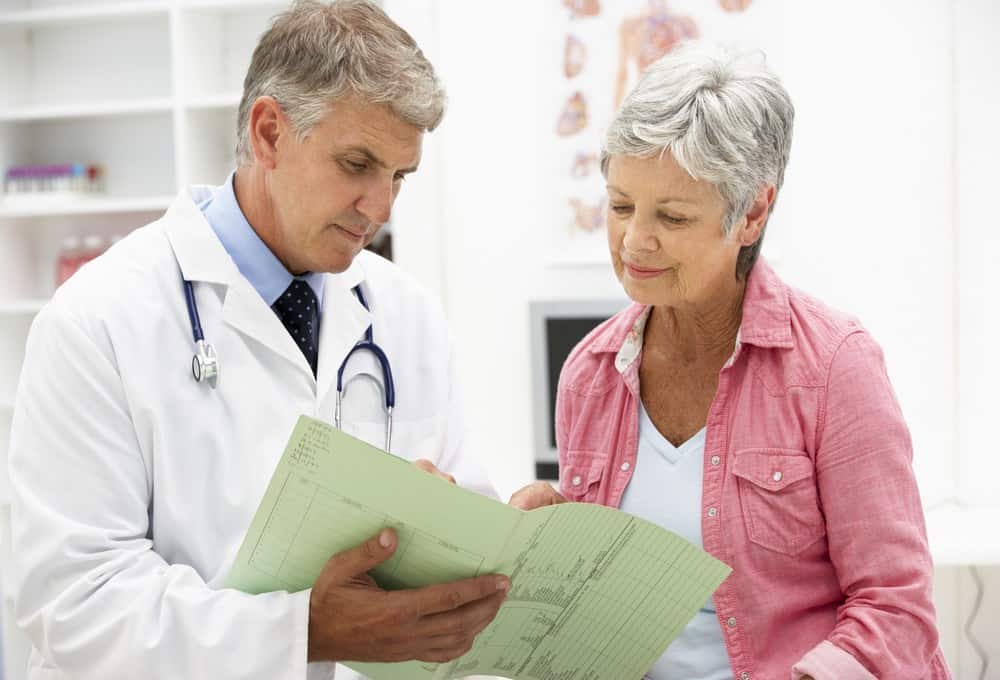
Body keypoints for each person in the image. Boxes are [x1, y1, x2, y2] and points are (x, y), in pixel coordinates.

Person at [7, 2, 510, 679]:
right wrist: (300, 630)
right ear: (270, 132)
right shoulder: (96, 320)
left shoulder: (405, 313)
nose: (382, 207)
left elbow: (456, 522)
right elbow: (73, 604)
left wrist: (500, 542)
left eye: (399, 176)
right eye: (357, 164)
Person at [511, 42, 951, 679]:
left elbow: (897, 608)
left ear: (752, 212)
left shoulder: (833, 367)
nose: (635, 241)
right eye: (621, 205)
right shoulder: (590, 372)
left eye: (673, 215)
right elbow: (607, 613)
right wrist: (545, 555)